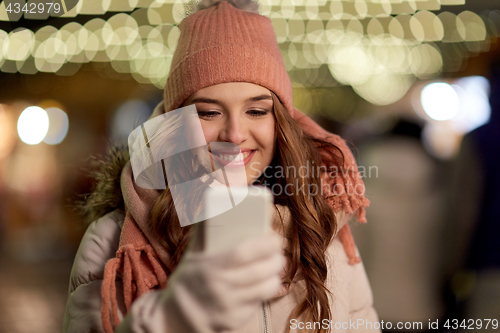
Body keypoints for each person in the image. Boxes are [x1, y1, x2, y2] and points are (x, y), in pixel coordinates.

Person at [63, 0, 378, 332]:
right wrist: (173, 317)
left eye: (256, 111)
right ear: (176, 123)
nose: (235, 134)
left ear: (280, 122)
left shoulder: (322, 227)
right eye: (208, 112)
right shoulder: (113, 240)